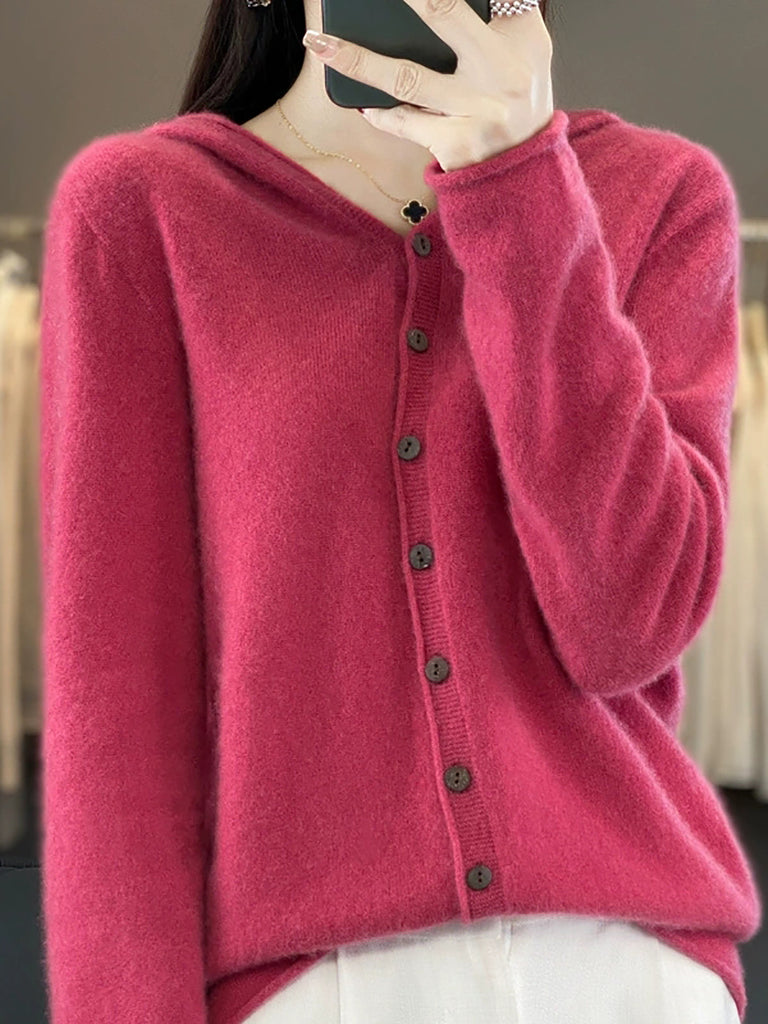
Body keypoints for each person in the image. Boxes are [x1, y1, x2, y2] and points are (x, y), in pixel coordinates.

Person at [38, 1, 761, 1023]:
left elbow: (627, 627)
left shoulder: (660, 194)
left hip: (629, 969)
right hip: (314, 987)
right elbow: (116, 703)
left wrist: (521, 188)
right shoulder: (145, 209)